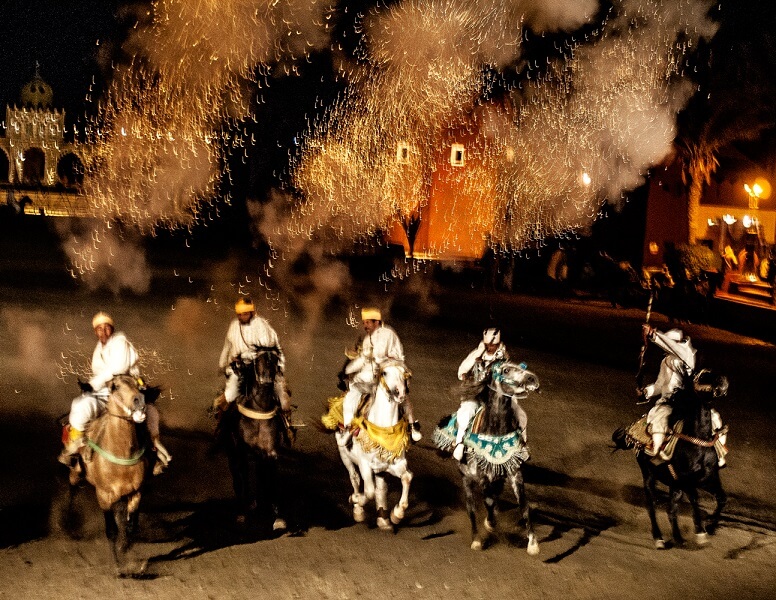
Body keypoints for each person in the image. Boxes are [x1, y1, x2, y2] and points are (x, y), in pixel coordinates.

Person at [59, 312, 171, 472]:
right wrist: (91, 387)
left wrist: (92, 384)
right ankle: (76, 449)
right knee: (79, 405)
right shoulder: (98, 349)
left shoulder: (120, 342)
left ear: (112, 329)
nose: (103, 332)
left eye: (106, 328)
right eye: (99, 329)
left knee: (147, 415)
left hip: (125, 388)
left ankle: (154, 454)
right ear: (95, 332)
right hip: (106, 392)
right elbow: (101, 374)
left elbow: (118, 370)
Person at [640, 325, 727, 465]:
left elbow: (673, 347)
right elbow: (659, 385)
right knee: (660, 419)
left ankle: (719, 452)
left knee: (714, 418)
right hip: (668, 401)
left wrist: (653, 335)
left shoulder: (685, 354)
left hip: (687, 399)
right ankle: (656, 451)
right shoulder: (666, 361)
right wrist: (646, 392)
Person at [341, 307, 420, 442]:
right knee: (402, 396)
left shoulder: (386, 333)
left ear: (376, 322)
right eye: (364, 323)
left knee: (353, 392)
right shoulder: (369, 338)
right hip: (384, 373)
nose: (365, 326)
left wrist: (349, 370)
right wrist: (347, 370)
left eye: (368, 322)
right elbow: (363, 359)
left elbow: (376, 356)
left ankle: (348, 427)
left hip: (390, 371)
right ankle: (413, 427)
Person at [452, 328, 526, 461]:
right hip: (477, 393)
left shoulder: (504, 357)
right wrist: (467, 375)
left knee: (520, 414)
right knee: (467, 411)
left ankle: (522, 445)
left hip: (498, 394)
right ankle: (459, 443)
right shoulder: (476, 354)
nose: (490, 347)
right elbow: (462, 370)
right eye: (488, 345)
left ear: (498, 344)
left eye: (493, 345)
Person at [216, 297, 292, 417]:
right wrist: (222, 364)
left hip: (263, 369)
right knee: (229, 395)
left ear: (252, 312)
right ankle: (220, 426)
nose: (241, 317)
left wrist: (243, 356)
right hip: (239, 369)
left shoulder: (262, 326)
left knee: (283, 399)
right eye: (239, 314)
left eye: (245, 314)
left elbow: (267, 353)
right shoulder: (234, 325)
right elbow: (227, 346)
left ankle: (287, 425)